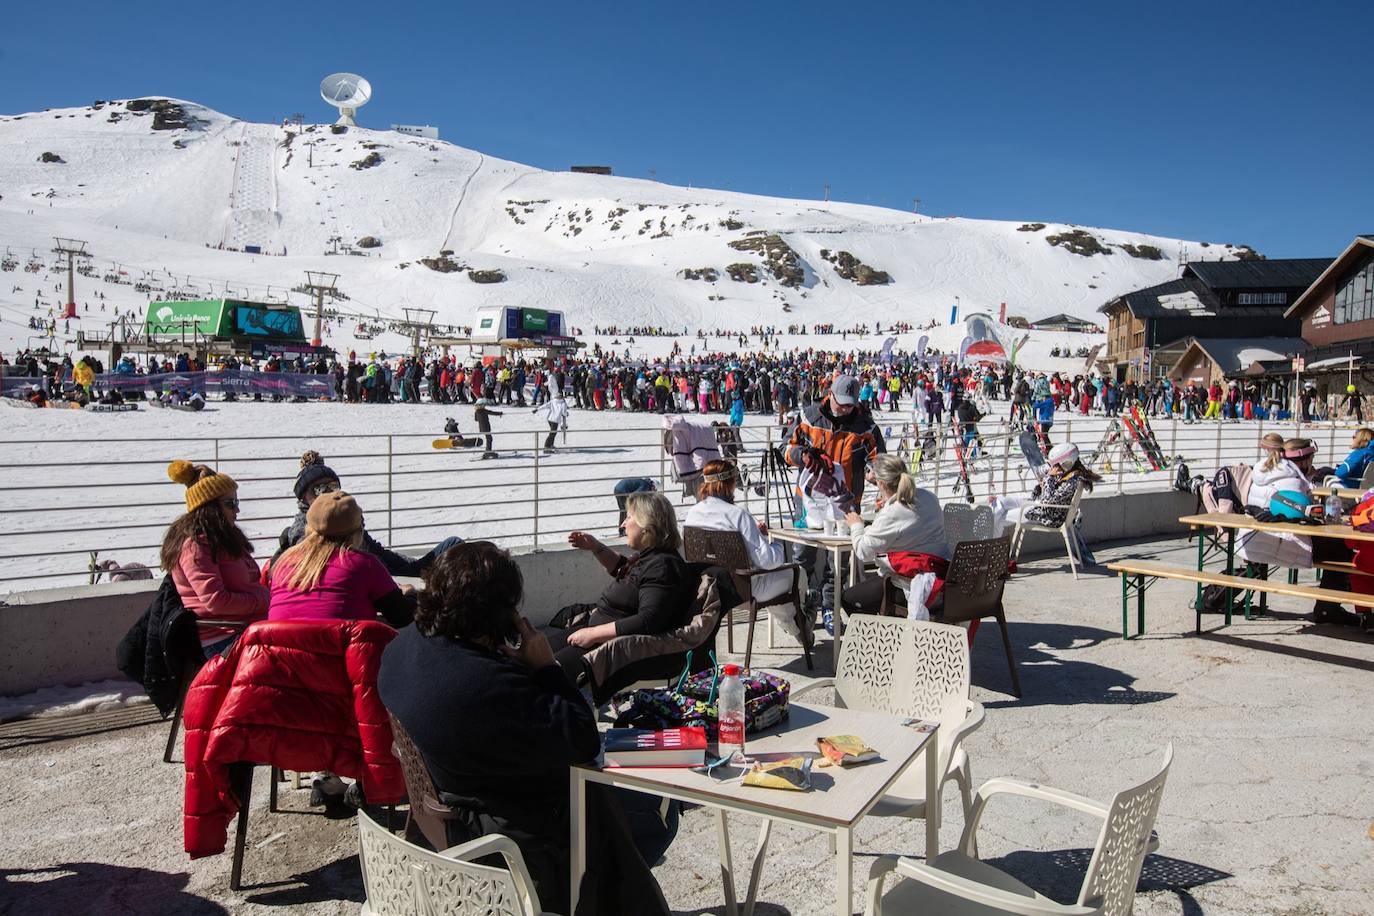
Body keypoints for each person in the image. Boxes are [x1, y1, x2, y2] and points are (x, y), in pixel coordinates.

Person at [377, 542, 672, 916]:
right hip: (512, 839)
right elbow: (581, 738)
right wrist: (545, 666)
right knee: (657, 813)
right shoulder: (486, 686)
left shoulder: (401, 649)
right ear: (500, 615)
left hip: (447, 816)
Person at [541, 491, 692, 688]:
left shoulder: (663, 566)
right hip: (601, 638)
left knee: (546, 673)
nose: (623, 524)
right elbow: (624, 571)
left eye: (628, 517)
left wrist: (594, 633)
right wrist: (597, 548)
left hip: (618, 651)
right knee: (534, 654)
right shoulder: (651, 558)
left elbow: (648, 620)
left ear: (646, 525)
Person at [785, 374, 885, 631]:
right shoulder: (808, 416)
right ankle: (804, 605)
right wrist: (803, 455)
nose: (846, 409)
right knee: (802, 555)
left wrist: (875, 474)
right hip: (809, 501)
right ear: (830, 395)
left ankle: (830, 606)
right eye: (842, 403)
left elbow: (878, 460)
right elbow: (786, 448)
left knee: (837, 561)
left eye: (851, 404)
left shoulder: (866, 427)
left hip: (845, 502)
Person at [682, 460, 811, 647]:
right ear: (730, 483)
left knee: (779, 591)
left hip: (709, 587)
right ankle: (798, 625)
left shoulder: (692, 514)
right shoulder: (737, 515)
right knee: (797, 573)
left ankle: (797, 628)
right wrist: (770, 540)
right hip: (744, 591)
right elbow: (768, 561)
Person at [276, 451, 461, 577]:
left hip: (388, 572)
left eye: (333, 486)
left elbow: (376, 550)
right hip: (378, 581)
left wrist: (412, 567)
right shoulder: (304, 530)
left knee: (455, 545)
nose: (328, 492)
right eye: (318, 489)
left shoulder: (345, 514)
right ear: (303, 497)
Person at [160, 461, 268, 658]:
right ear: (209, 508)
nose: (237, 510)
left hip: (245, 627)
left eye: (237, 503)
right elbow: (216, 602)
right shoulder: (195, 546)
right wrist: (263, 600)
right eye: (230, 504)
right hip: (222, 638)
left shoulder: (221, 537)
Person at [268, 491, 416, 627]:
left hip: (279, 654)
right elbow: (403, 617)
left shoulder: (283, 563)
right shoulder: (363, 564)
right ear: (357, 533)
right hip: (340, 654)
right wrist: (410, 594)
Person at [839, 455, 949, 619]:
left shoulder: (894, 511)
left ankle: (880, 639)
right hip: (941, 578)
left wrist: (856, 525)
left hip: (910, 584)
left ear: (881, 483)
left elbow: (863, 551)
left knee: (849, 599)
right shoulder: (928, 497)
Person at [990, 443, 1101, 564]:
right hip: (1039, 507)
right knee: (1000, 502)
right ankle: (990, 555)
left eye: (1055, 465)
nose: (1052, 467)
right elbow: (1037, 497)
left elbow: (1047, 503)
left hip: (1046, 516)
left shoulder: (1072, 481)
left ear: (1066, 463)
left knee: (998, 518)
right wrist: (1042, 485)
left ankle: (990, 557)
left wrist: (1049, 478)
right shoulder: (1067, 475)